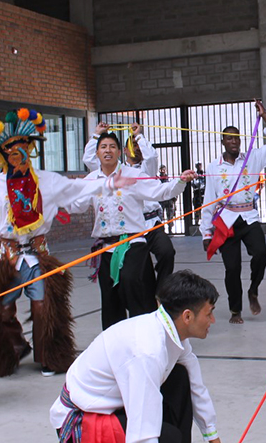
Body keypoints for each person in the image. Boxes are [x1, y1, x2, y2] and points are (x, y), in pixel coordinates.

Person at [51, 270, 246, 443]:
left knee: (181, 376)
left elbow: (197, 388)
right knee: (166, 439)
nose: (213, 321)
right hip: (85, 419)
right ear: (187, 316)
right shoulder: (147, 351)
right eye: (209, 313)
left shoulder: (172, 334)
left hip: (116, 404)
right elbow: (142, 426)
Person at [0, 108, 128, 377]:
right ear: (3, 155)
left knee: (44, 307)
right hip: (7, 257)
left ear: (29, 150)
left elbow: (76, 188)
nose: (16, 155)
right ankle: (15, 347)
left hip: (38, 255)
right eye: (10, 150)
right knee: (1, 307)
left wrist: (108, 185)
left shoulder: (46, 181)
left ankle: (48, 357)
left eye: (21, 149)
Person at [69, 130, 196, 330]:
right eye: (103, 147)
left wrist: (180, 181)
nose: (107, 150)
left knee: (131, 283)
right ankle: (115, 343)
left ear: (119, 152)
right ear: (97, 153)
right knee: (110, 299)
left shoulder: (133, 175)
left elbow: (159, 191)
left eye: (112, 146)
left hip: (133, 244)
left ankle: (145, 334)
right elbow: (76, 205)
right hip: (105, 248)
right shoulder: (91, 180)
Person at [200, 100, 266, 324]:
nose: (234, 141)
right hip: (226, 221)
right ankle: (235, 310)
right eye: (229, 138)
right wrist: (206, 233)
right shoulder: (214, 167)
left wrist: (264, 115)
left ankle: (253, 290)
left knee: (260, 254)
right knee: (232, 268)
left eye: (237, 137)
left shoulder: (253, 158)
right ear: (223, 142)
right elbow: (209, 200)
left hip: (248, 217)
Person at [86, 123, 177, 289]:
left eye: (138, 146)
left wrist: (139, 136)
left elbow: (151, 157)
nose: (137, 149)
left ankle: (161, 291)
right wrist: (96, 134)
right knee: (137, 271)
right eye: (132, 145)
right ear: (124, 151)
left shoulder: (146, 169)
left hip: (151, 224)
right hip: (128, 228)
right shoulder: (116, 171)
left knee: (167, 252)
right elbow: (90, 159)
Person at [158, 165, 177, 234]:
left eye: (163, 169)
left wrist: (174, 198)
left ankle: (170, 229)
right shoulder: (158, 180)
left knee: (170, 216)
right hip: (161, 200)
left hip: (169, 200)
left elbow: (173, 188)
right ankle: (162, 231)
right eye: (161, 170)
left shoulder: (169, 179)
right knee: (160, 217)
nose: (162, 171)